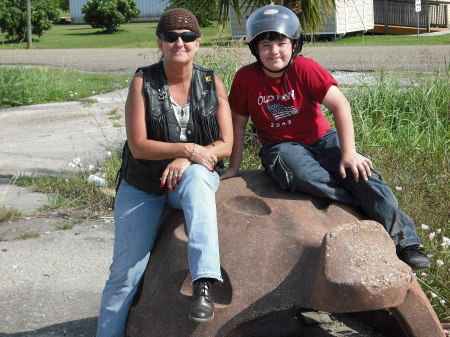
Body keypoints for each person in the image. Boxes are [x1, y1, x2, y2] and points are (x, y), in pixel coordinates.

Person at [221, 4, 430, 271]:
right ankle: (358, 204)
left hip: (322, 139)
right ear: (255, 49)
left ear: (294, 45)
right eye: (265, 45)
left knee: (364, 174)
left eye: (281, 43)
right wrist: (234, 167)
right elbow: (238, 125)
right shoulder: (245, 78)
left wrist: (349, 153)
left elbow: (340, 105)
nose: (274, 51)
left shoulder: (305, 68)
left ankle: (407, 243)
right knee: (299, 172)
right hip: (281, 146)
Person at [96, 8, 233, 336]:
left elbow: (225, 144)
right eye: (171, 37)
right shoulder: (143, 80)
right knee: (125, 274)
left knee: (199, 178)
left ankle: (203, 283)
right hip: (143, 184)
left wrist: (191, 160)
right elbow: (139, 145)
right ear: (160, 42)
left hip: (189, 179)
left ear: (198, 43)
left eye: (187, 37)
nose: (179, 43)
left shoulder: (212, 81)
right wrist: (186, 150)